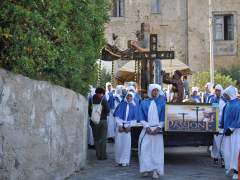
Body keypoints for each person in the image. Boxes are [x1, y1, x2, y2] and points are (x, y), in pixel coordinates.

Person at [138, 84, 165, 179]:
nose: (155, 92)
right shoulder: (144, 102)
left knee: (157, 151)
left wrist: (158, 127)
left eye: (157, 90)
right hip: (147, 130)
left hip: (158, 131)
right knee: (145, 150)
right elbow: (141, 116)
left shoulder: (162, 103)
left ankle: (156, 170)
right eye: (154, 90)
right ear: (150, 91)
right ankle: (145, 169)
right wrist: (147, 127)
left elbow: (163, 117)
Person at [114, 92, 138, 166]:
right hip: (120, 126)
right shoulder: (121, 105)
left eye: (130, 96)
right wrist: (120, 125)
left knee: (126, 145)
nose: (129, 98)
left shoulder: (134, 106)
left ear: (132, 97)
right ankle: (118, 160)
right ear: (126, 97)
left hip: (128, 127)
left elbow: (135, 119)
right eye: (128, 96)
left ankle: (125, 160)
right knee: (119, 144)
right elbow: (117, 116)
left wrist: (129, 126)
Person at [222, 86, 240, 179]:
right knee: (227, 151)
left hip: (236, 132)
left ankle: (237, 171)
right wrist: (222, 126)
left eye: (226, 95)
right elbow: (223, 117)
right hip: (227, 132)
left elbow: (239, 119)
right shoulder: (227, 104)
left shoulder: (238, 104)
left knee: (235, 151)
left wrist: (231, 128)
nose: (225, 96)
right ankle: (230, 167)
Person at [88, 87, 110, 160]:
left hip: (94, 121)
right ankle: (103, 155)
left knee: (96, 138)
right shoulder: (103, 99)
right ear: (102, 93)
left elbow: (89, 111)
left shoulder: (91, 99)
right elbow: (107, 110)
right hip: (103, 120)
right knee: (103, 139)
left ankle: (98, 155)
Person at [209, 84, 226, 165]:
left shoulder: (225, 100)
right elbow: (212, 111)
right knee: (215, 142)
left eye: (218, 90)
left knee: (222, 143)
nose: (217, 92)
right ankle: (215, 157)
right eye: (216, 90)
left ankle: (223, 159)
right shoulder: (213, 100)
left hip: (222, 124)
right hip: (214, 123)